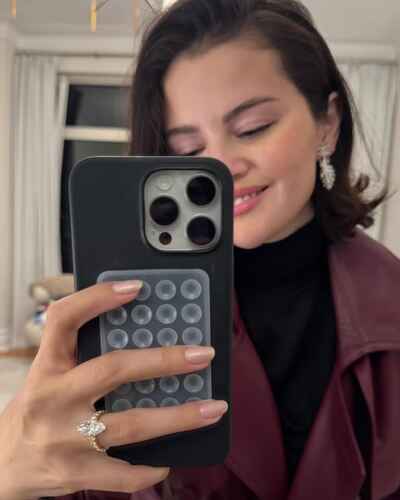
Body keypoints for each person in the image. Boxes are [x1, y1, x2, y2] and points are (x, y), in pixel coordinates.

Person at [1, 0, 399, 499]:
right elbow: (92, 467)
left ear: (328, 123)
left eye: (253, 128)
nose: (222, 166)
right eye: (188, 151)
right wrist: (14, 469)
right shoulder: (134, 304)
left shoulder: (390, 301)